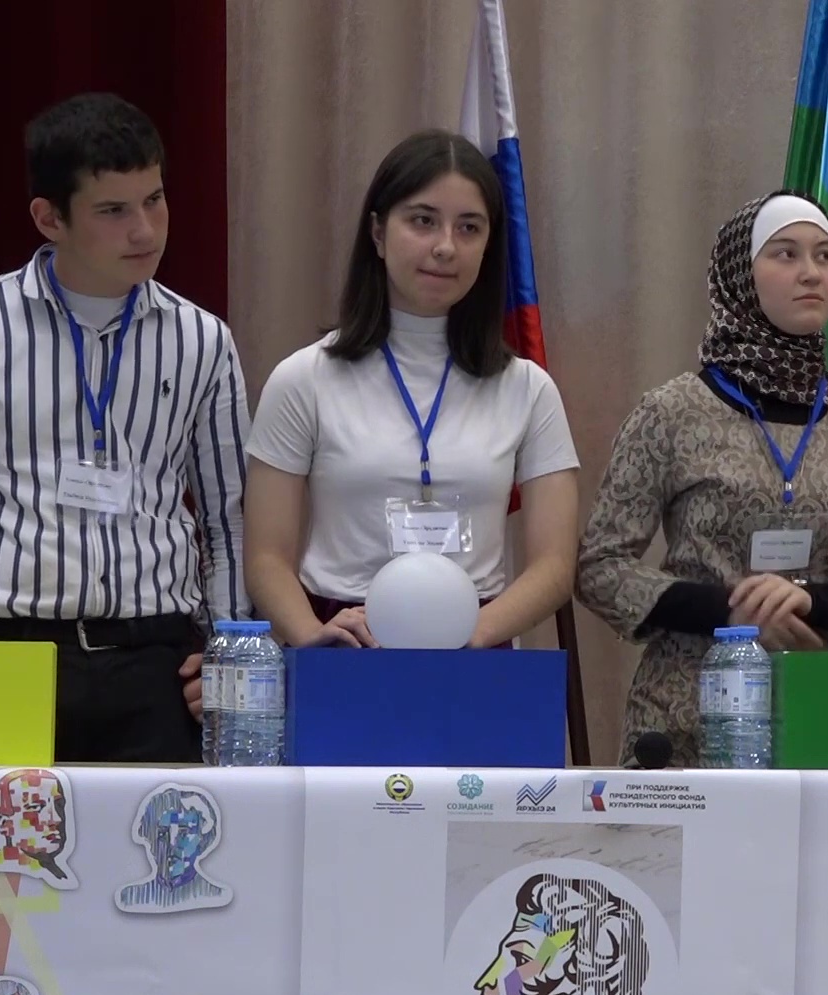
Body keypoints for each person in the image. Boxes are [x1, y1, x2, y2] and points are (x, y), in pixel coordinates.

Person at [0, 92, 249, 762]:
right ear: (50, 218)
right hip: (0, 652)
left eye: (155, 200)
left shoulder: (202, 340)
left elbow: (228, 518)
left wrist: (231, 652)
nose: (145, 231)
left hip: (153, 660)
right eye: (113, 210)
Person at [576, 192, 828, 766]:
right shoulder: (672, 413)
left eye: (825, 256)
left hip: (819, 705)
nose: (810, 272)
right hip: (684, 719)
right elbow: (599, 567)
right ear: (741, 275)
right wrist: (730, 611)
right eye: (785, 254)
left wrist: (811, 603)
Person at [244, 130, 579, 649]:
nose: (445, 246)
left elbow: (554, 566)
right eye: (423, 221)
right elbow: (266, 557)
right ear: (378, 233)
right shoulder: (303, 378)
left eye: (469, 227)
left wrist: (472, 634)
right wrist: (313, 638)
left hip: (477, 645)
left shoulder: (528, 389)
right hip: (344, 642)